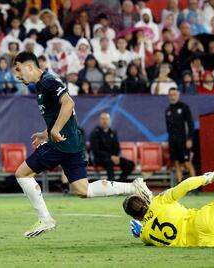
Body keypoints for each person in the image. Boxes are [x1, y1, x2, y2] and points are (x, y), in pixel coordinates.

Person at [12, 52, 152, 238]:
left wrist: (55, 132)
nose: (18, 75)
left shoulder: (47, 81)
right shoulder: (41, 85)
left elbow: (68, 103)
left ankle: (45, 219)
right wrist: (46, 133)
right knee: (82, 190)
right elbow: (60, 114)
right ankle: (134, 187)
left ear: (29, 66)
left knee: (22, 173)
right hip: (72, 142)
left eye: (19, 69)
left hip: (60, 144)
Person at [90, 113, 135, 182]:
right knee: (109, 162)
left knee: (130, 164)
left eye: (106, 119)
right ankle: (112, 183)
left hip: (113, 157)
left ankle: (121, 180)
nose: (105, 121)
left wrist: (117, 157)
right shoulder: (95, 133)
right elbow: (96, 151)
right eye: (102, 119)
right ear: (99, 120)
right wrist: (111, 156)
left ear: (109, 120)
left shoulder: (113, 132)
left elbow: (117, 147)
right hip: (99, 159)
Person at [165, 88, 196, 183]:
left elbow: (190, 124)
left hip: (183, 141)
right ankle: (179, 184)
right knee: (176, 163)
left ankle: (194, 186)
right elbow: (168, 128)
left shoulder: (184, 107)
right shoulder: (168, 110)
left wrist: (189, 138)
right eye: (171, 95)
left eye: (174, 94)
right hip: (173, 142)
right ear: (168, 96)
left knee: (187, 163)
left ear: (178, 95)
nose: (172, 96)